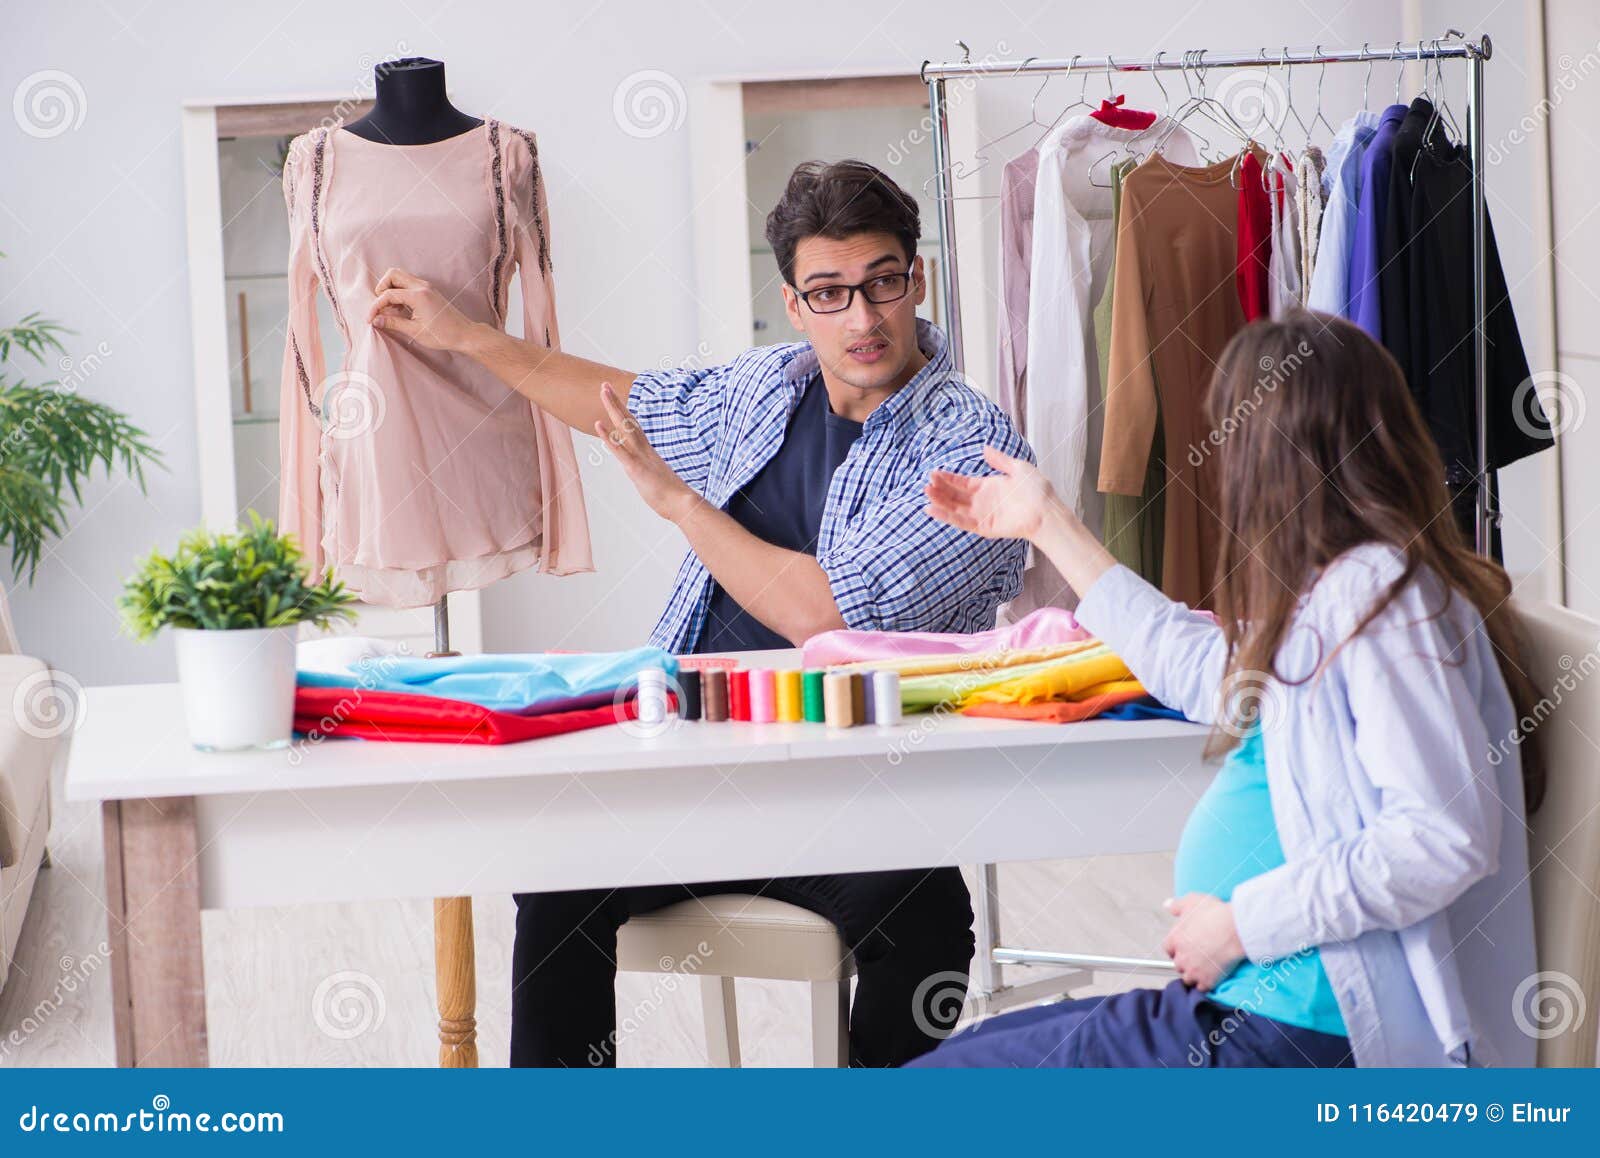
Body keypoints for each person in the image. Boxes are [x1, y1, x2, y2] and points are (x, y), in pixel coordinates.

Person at [366, 160, 1034, 1066]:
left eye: (883, 282)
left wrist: (683, 505)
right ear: (795, 305)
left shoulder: (973, 443)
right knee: (559, 872)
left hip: (856, 792)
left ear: (917, 279)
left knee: (924, 922)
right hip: (692, 762)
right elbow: (619, 401)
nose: (864, 318)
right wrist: (470, 338)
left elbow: (828, 616)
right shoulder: (767, 390)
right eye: (829, 293)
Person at [913, 310, 1545, 1068]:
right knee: (977, 1048)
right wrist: (1046, 523)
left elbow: (1442, 839)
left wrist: (1241, 926)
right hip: (1254, 1009)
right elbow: (1186, 659)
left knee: (943, 1085)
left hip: (1307, 1033)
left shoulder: (1377, 596)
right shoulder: (1338, 594)